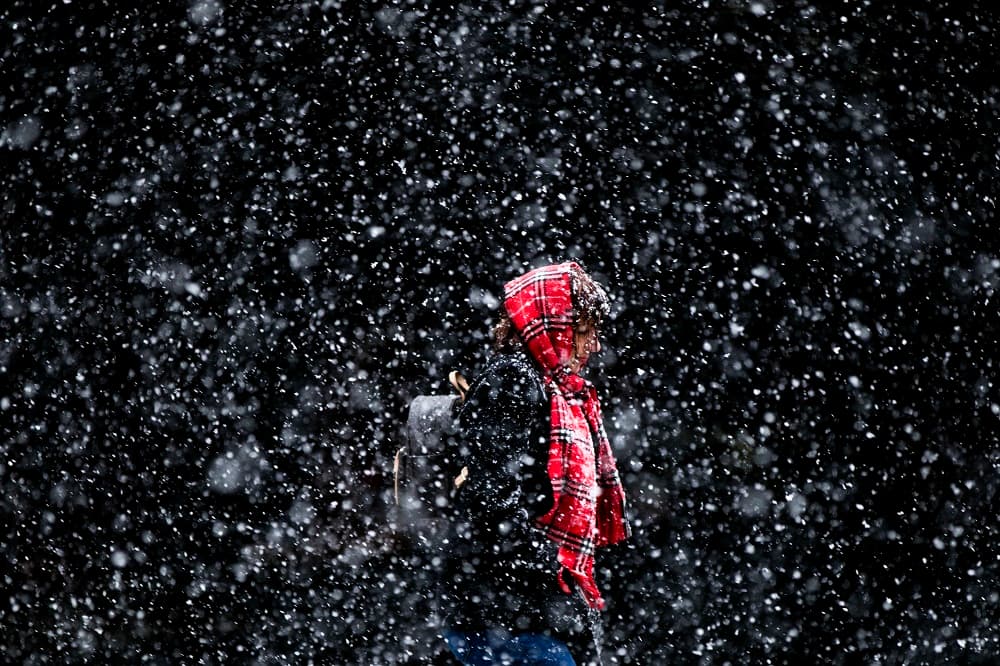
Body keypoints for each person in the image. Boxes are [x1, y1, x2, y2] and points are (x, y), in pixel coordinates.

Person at [439, 262, 630, 665]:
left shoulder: (552, 387)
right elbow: (491, 498)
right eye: (584, 332)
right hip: (505, 620)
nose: (593, 346)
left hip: (519, 615)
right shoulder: (515, 379)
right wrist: (550, 571)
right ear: (553, 327)